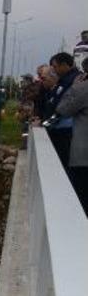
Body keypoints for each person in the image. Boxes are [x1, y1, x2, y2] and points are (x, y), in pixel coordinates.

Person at [56, 72, 88, 213]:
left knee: (82, 203)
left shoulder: (82, 88)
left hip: (83, 157)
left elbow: (63, 109)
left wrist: (73, 87)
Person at [45, 52, 82, 168]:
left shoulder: (75, 80)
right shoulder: (64, 80)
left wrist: (45, 123)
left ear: (65, 65)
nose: (54, 70)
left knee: (63, 165)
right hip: (59, 129)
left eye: (55, 67)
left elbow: (64, 107)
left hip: (67, 131)